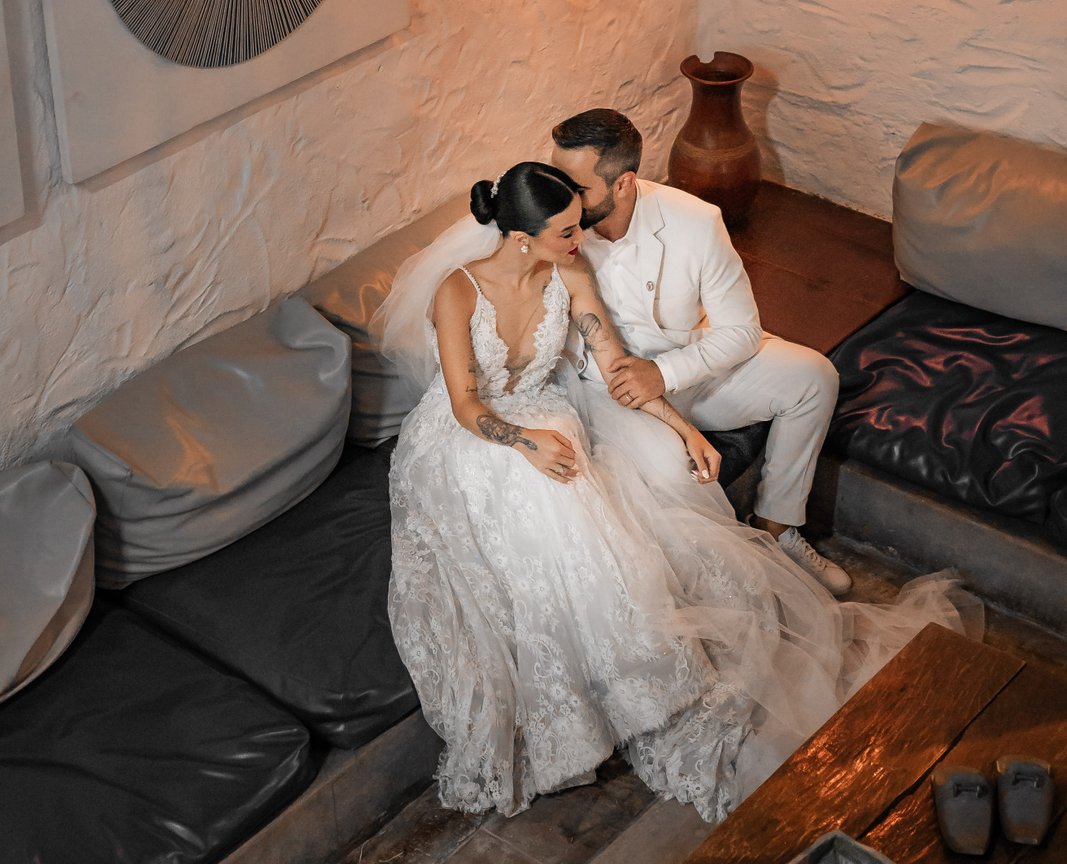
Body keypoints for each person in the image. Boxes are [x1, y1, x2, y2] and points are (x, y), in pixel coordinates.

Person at [377, 161, 977, 823]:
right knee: (547, 508)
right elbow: (466, 406)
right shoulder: (458, 293)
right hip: (473, 436)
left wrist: (682, 427)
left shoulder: (569, 273)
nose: (580, 239)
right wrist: (525, 442)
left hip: (545, 413)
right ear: (521, 238)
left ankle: (632, 684)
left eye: (578, 226)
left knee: (580, 512)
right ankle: (578, 706)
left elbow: (616, 367)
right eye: (566, 231)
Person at [551, 108, 852, 595]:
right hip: (605, 394)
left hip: (687, 372)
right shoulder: (551, 223)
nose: (561, 196)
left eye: (577, 187)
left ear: (623, 183)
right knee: (676, 479)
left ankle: (776, 528)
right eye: (557, 177)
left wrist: (663, 374)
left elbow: (741, 331)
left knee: (814, 377)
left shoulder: (695, 221)